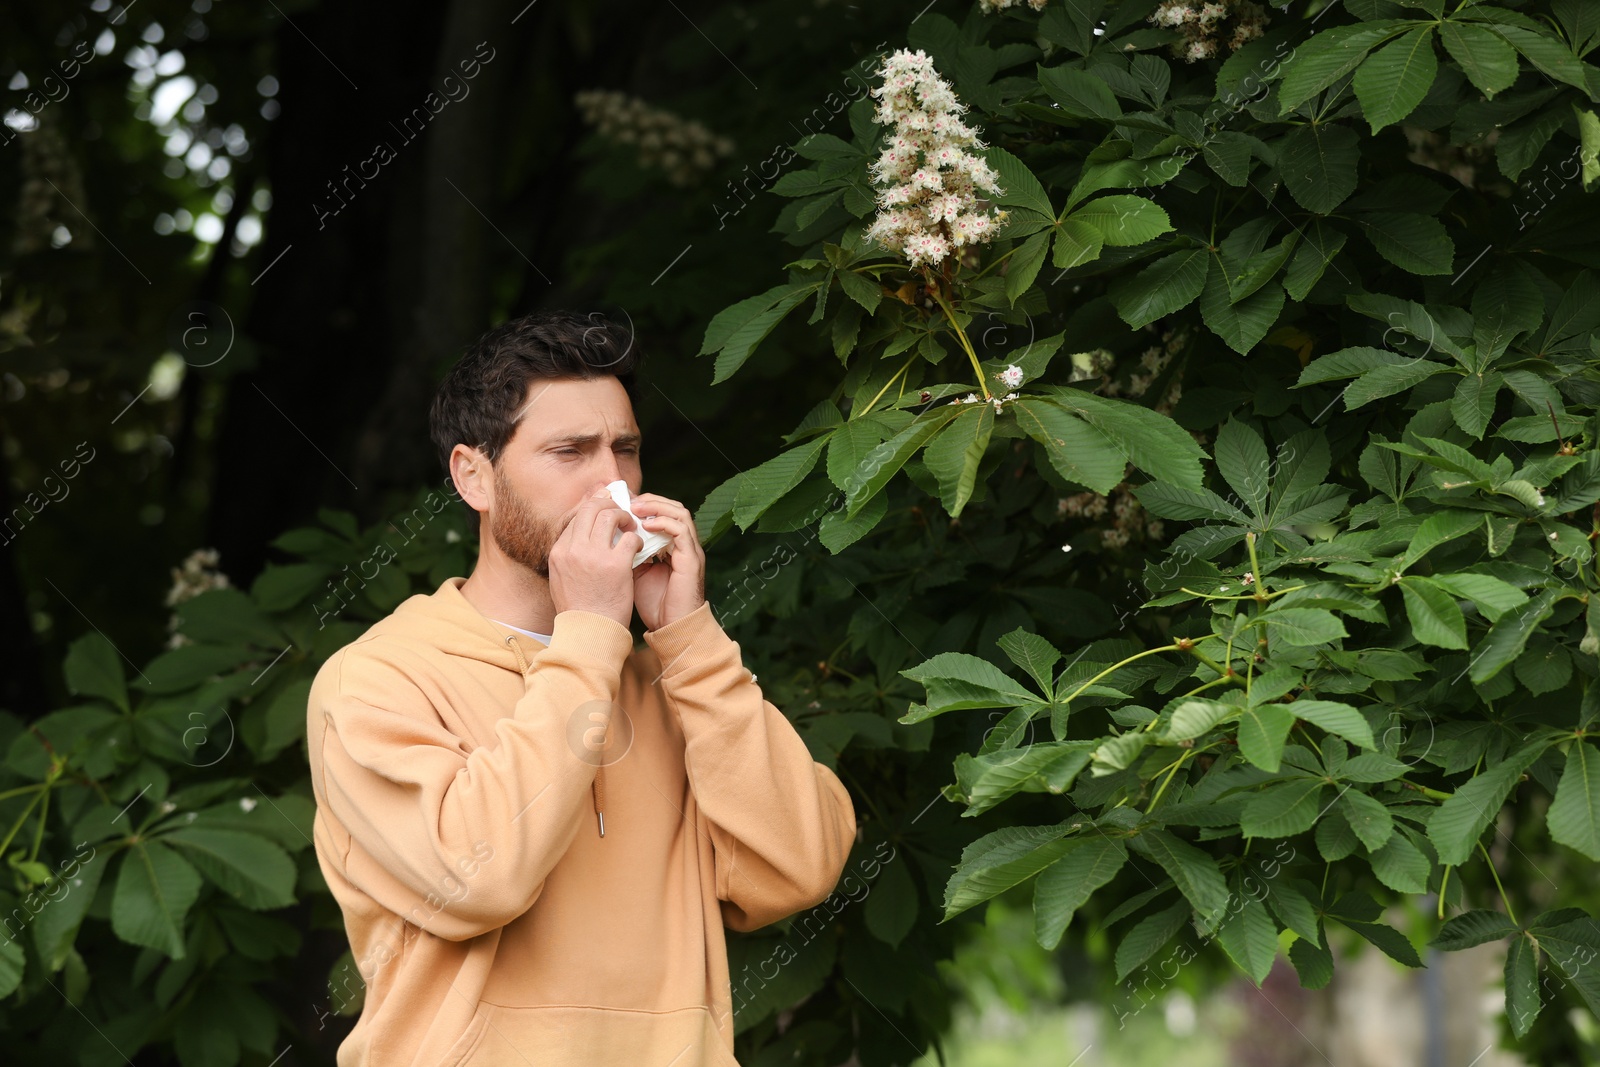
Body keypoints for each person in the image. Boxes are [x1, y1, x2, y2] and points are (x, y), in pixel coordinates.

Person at [304, 310, 858, 1067]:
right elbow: (478, 877)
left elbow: (801, 865)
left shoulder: (673, 676)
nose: (612, 482)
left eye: (625, 450)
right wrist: (593, 635)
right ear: (473, 475)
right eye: (570, 451)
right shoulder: (376, 680)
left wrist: (689, 637)